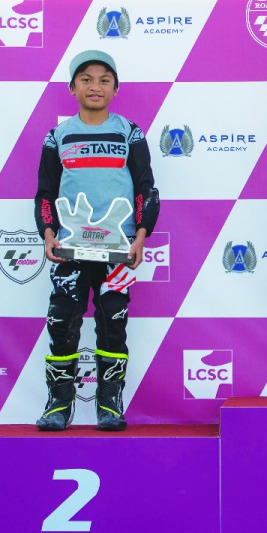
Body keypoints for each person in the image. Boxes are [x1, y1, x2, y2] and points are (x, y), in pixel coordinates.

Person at [34, 49, 160, 431]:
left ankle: (109, 401)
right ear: (72, 87)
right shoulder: (57, 135)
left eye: (105, 80)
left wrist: (140, 237)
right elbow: (44, 192)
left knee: (113, 321)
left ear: (116, 88)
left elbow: (145, 189)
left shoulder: (130, 132)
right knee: (61, 321)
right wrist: (48, 234)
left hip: (117, 250)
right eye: (86, 79)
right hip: (70, 250)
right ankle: (59, 403)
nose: (95, 86)